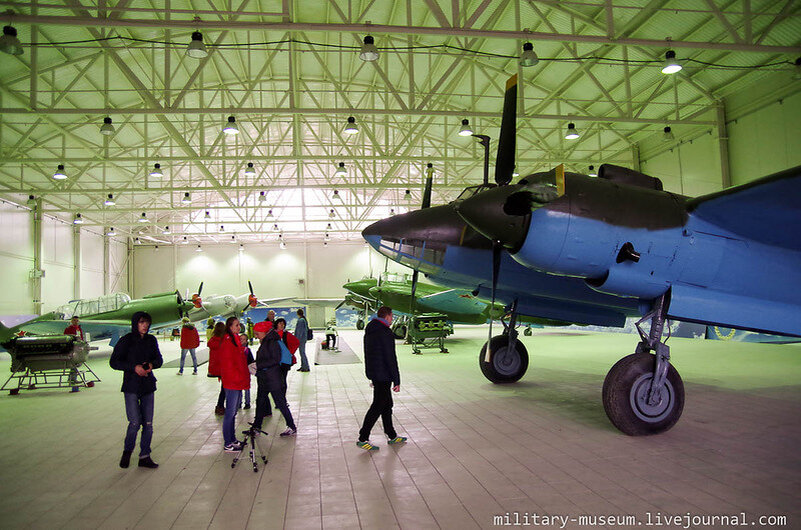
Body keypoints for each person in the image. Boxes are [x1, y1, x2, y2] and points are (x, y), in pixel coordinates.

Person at [109, 311, 163, 469]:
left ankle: (144, 455)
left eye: (147, 322)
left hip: (147, 386)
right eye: (141, 322)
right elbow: (114, 362)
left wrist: (152, 365)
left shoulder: (151, 340)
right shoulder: (126, 341)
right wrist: (134, 368)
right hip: (131, 386)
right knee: (134, 422)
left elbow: (158, 359)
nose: (145, 325)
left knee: (148, 423)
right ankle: (127, 452)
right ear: (135, 324)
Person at [357, 306, 407, 451]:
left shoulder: (371, 329)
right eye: (392, 317)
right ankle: (363, 437)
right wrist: (396, 380)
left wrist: (372, 375)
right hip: (384, 374)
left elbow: (370, 354)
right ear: (387, 316)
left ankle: (391, 434)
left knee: (387, 404)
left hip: (376, 373)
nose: (392, 320)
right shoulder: (385, 332)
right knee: (378, 405)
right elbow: (390, 357)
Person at [251, 321, 297, 437]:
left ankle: (291, 426)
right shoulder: (267, 340)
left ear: (264, 332)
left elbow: (275, 359)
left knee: (280, 402)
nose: (256, 336)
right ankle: (256, 426)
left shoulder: (272, 342)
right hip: (265, 377)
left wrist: (258, 365)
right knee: (260, 402)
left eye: (257, 334)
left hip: (272, 378)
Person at [218, 316, 249, 452]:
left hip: (236, 380)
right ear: (230, 327)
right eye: (236, 325)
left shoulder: (234, 339)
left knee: (233, 412)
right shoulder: (227, 341)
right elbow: (228, 363)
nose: (238, 327)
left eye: (238, 324)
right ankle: (228, 443)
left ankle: (232, 439)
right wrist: (237, 378)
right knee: (230, 413)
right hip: (232, 382)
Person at [208, 321, 227, 415]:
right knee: (225, 388)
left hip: (215, 368)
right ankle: (220, 406)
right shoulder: (225, 341)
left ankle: (220, 406)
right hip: (224, 367)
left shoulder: (212, 341)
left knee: (224, 387)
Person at [274, 318, 300, 387]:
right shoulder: (272, 334)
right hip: (274, 360)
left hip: (284, 360)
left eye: (283, 324)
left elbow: (296, 342)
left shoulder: (286, 334)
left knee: (282, 379)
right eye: (280, 323)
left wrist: (290, 353)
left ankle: (282, 395)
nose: (282, 325)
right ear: (276, 324)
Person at [63, 316, 84, 391]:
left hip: (78, 348)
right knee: (74, 363)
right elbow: (65, 338)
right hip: (72, 348)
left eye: (77, 320)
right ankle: (73, 378)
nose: (76, 322)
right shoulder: (68, 329)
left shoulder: (79, 328)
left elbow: (81, 337)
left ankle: (71, 378)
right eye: (74, 320)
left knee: (76, 363)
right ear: (71, 321)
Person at [239, 332, 253, 409]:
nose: (242, 341)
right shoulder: (236, 349)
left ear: (247, 341)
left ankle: (247, 402)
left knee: (246, 388)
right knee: (239, 388)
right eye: (241, 339)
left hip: (246, 372)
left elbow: (251, 361)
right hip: (239, 371)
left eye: (244, 339)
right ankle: (239, 403)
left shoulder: (247, 350)